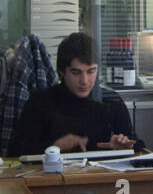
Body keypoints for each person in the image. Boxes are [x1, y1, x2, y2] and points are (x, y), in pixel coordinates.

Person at [9, 32, 144, 156]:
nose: (84, 81)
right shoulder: (41, 102)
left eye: (91, 71)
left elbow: (137, 145)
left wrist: (125, 146)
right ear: (61, 71)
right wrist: (55, 146)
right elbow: (16, 151)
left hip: (102, 177)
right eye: (76, 72)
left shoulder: (111, 101)